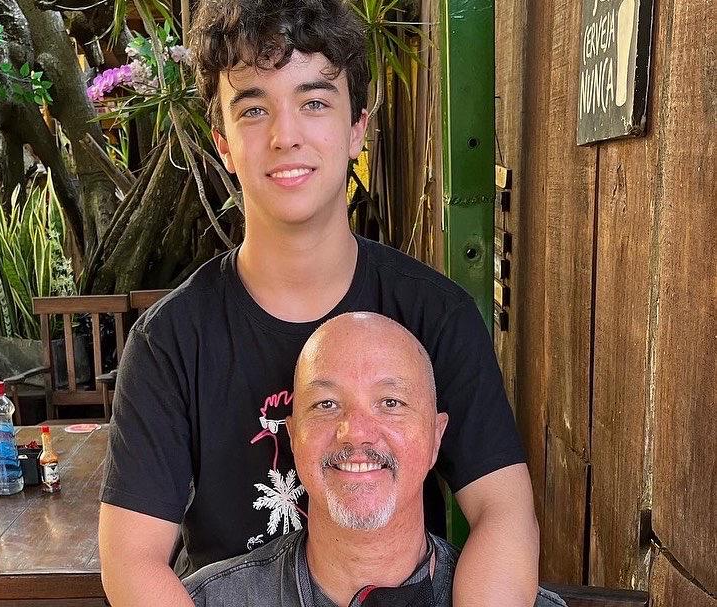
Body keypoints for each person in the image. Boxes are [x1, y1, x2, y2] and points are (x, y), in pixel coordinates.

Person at [99, 1, 539, 605]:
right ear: (222, 142)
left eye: (314, 102)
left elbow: (503, 513)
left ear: (358, 128)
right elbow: (131, 561)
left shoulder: (436, 317)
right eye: (254, 109)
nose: (286, 136)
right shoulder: (170, 343)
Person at [183, 313, 564, 607]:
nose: (356, 431)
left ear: (436, 437)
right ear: (294, 436)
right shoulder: (207, 601)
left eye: (390, 403)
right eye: (326, 404)